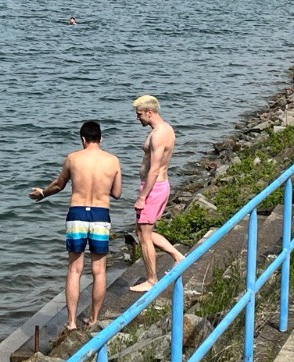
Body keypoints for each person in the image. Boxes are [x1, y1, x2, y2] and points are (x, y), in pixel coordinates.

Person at [30, 120, 122, 329]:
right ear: (101, 139)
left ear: (82, 139)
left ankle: (71, 322)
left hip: (77, 214)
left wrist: (42, 193)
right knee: (99, 270)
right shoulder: (113, 161)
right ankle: (94, 319)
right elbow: (117, 193)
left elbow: (59, 185)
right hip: (100, 214)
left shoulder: (73, 158)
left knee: (74, 269)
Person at [130, 95, 184, 292]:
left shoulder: (158, 134)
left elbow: (154, 169)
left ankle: (151, 280)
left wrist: (142, 196)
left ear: (149, 112)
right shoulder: (166, 129)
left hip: (153, 189)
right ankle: (178, 256)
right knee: (144, 232)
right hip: (160, 186)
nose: (138, 119)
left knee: (144, 235)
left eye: (139, 115)